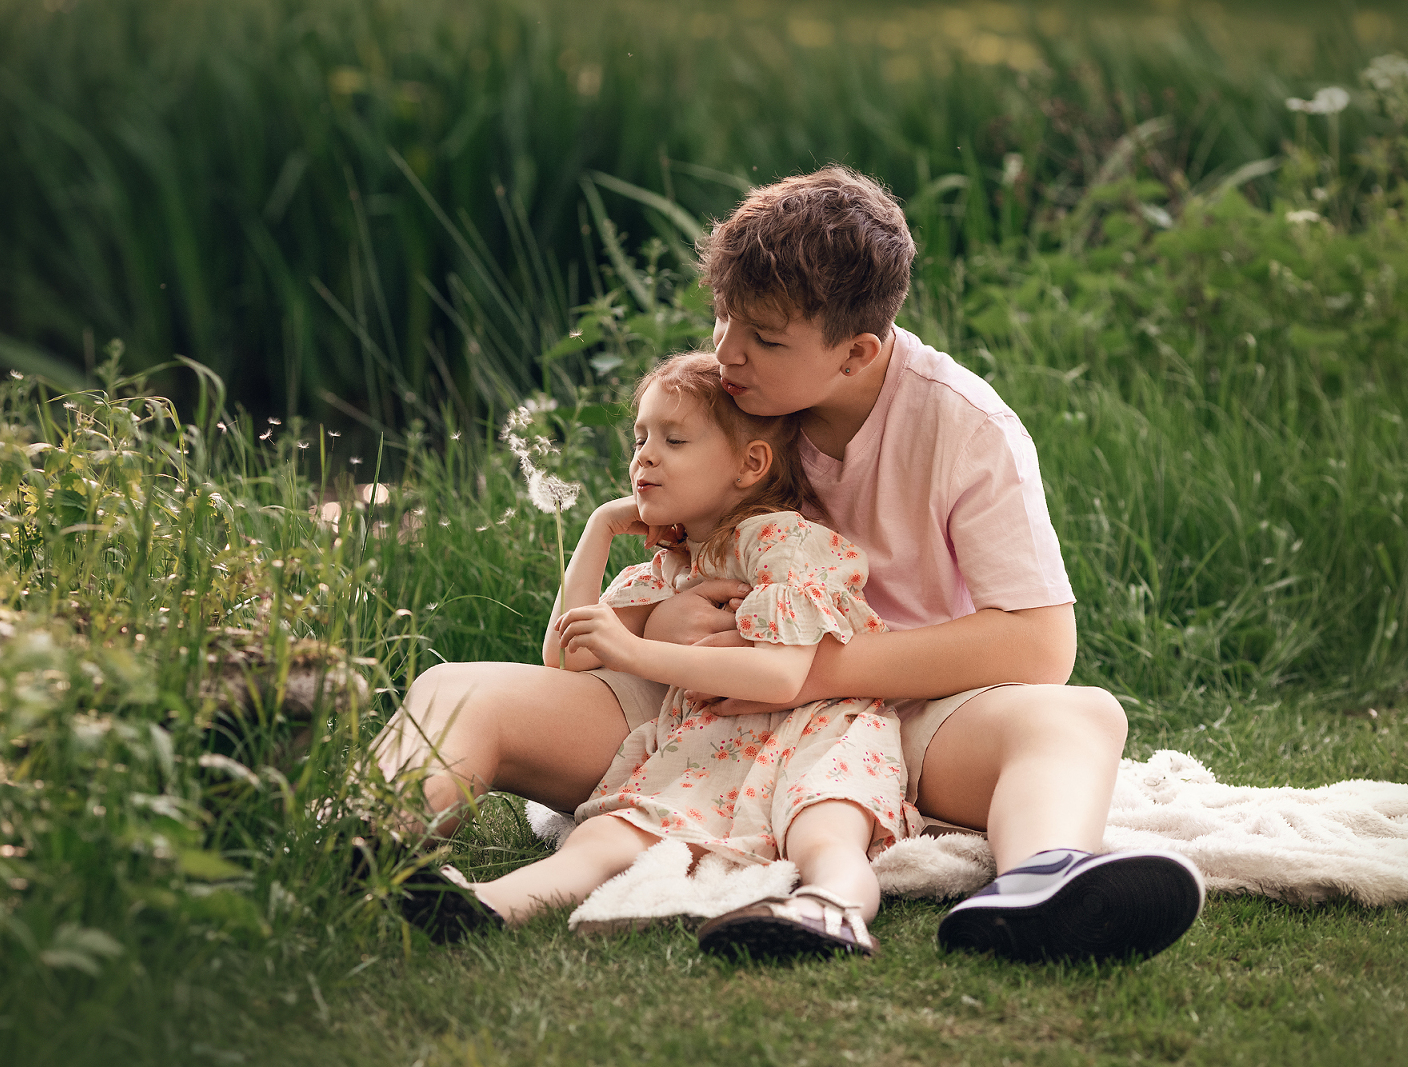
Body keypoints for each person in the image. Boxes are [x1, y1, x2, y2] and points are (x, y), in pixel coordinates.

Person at [374, 165, 1203, 963]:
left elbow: (1037, 645)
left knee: (1079, 714)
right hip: (697, 707)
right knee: (457, 688)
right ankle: (368, 843)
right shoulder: (731, 400)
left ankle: (1042, 882)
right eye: (724, 320)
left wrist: (807, 673)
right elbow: (662, 555)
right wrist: (663, 622)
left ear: (857, 352)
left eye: (764, 338)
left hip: (897, 725)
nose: (730, 354)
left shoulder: (966, 429)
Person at [421, 352, 916, 958]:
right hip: (715, 738)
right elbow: (566, 655)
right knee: (606, 834)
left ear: (750, 464)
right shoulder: (673, 566)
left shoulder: (787, 544)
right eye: (640, 438)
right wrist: (598, 528)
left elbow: (780, 677)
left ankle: (830, 909)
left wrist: (635, 651)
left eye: (673, 439)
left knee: (823, 831)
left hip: (823, 732)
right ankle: (487, 905)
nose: (644, 457)